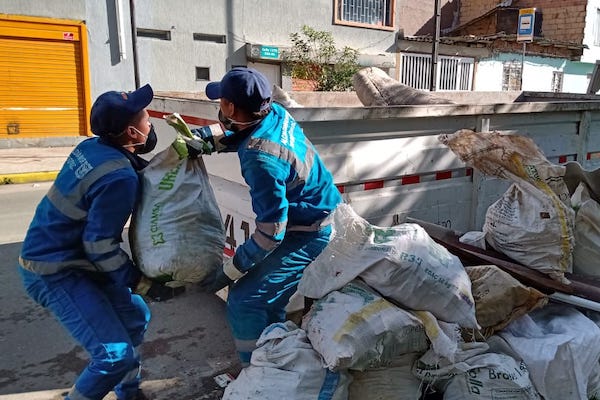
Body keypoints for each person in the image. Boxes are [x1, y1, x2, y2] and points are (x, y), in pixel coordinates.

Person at [17, 84, 172, 400]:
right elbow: (100, 246)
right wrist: (140, 282)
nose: (150, 122)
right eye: (145, 117)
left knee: (135, 317)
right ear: (131, 132)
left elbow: (125, 165)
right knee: (113, 357)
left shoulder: (92, 148)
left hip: (74, 260)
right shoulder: (119, 179)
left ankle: (129, 392)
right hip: (54, 270)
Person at [196, 67, 342, 366]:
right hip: (309, 217)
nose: (218, 105)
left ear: (230, 107)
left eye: (221, 100)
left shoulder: (259, 158)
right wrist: (206, 141)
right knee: (268, 301)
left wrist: (229, 271)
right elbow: (243, 132)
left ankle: (255, 374)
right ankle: (277, 358)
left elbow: (271, 233)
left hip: (309, 233)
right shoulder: (272, 113)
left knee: (244, 300)